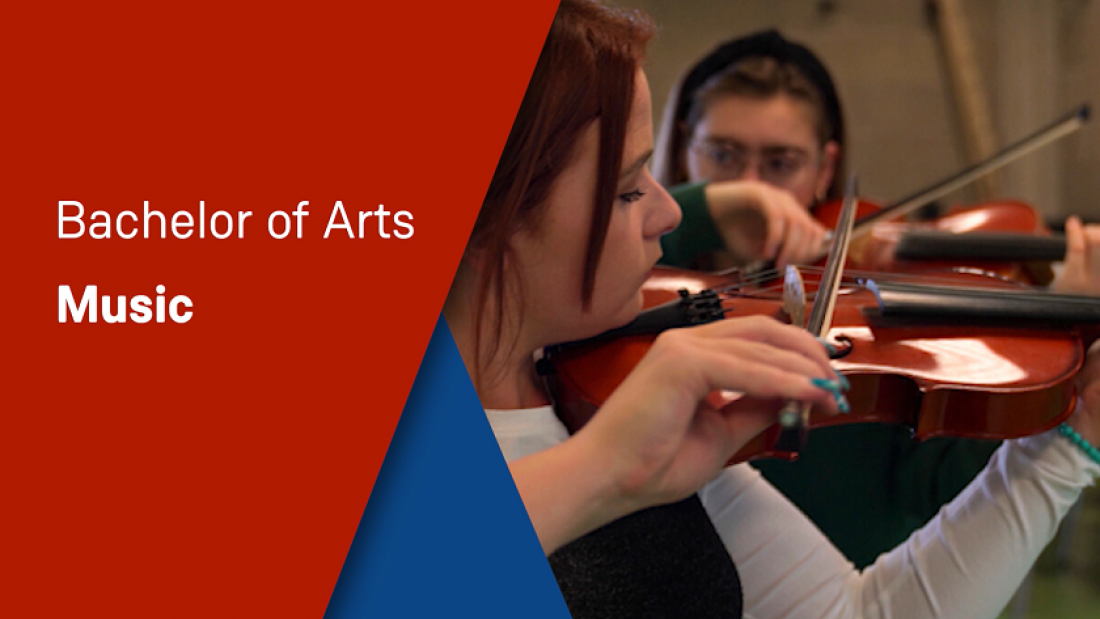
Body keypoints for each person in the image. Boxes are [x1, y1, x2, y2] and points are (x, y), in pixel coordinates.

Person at [443, 1, 1100, 617]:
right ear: (488, 216)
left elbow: (864, 611)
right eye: (624, 191)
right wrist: (610, 466)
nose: (670, 211)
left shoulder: (617, 379)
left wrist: (1067, 446)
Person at [648, 29, 1100, 568]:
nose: (755, 187)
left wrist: (1061, 322)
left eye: (780, 163)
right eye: (722, 156)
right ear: (683, 151)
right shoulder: (640, 275)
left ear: (825, 167)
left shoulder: (870, 319)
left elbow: (933, 488)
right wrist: (710, 207)